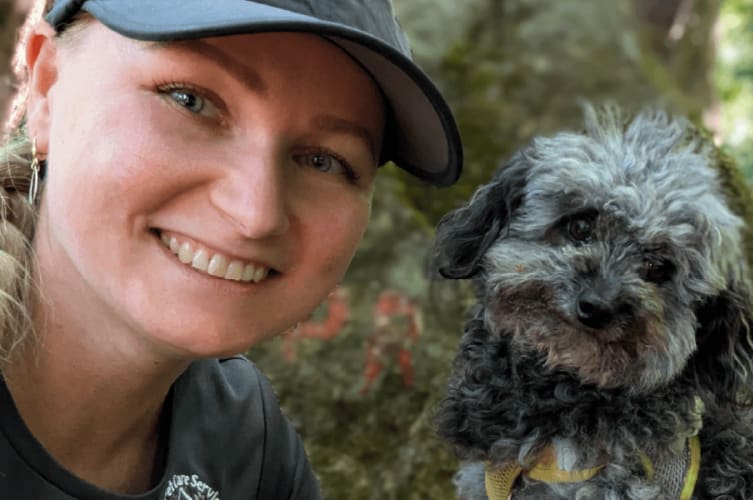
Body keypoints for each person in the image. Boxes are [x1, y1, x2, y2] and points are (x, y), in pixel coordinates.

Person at [0, 0, 462, 498]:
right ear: (47, 86)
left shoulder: (249, 442)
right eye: (189, 99)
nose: (255, 214)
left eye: (324, 160)